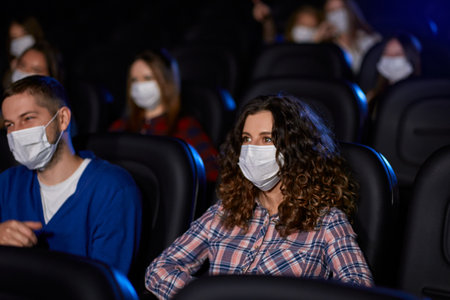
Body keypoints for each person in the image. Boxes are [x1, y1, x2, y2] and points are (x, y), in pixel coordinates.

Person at [145, 94, 374, 299]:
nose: (252, 149)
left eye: (266, 139)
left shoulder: (327, 222)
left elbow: (359, 289)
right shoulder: (224, 212)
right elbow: (160, 269)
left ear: (294, 149)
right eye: (246, 139)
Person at [0, 75, 142, 275]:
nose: (16, 133)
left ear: (62, 119)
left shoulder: (113, 189)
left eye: (28, 118)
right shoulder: (8, 183)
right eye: (9, 125)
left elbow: (105, 287)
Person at [109, 50, 219, 182]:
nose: (139, 86)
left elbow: (212, 173)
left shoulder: (185, 126)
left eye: (147, 78)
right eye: (134, 80)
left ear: (165, 81)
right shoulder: (120, 127)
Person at [366, 32, 422, 115]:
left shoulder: (420, 97)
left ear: (412, 58)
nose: (390, 59)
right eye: (386, 53)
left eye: (397, 54)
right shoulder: (372, 96)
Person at [323, 0, 381, 73]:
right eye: (331, 11)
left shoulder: (370, 40)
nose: (336, 14)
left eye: (340, 8)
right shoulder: (326, 45)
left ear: (350, 11)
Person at [252, 1, 334, 44]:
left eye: (310, 27)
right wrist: (267, 21)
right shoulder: (282, 43)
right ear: (292, 25)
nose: (305, 30)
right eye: (302, 25)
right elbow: (269, 40)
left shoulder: (326, 52)